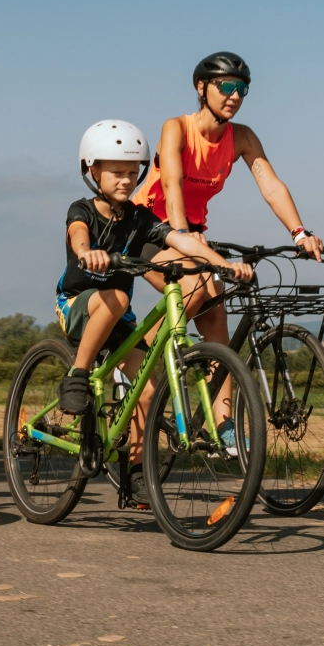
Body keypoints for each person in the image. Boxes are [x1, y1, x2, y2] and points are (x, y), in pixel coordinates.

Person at [57, 121, 250, 476]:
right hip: (79, 305)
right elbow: (77, 234)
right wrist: (87, 252)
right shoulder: (82, 209)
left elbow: (183, 241)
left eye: (133, 172)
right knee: (116, 296)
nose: (127, 180)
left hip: (119, 319)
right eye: (116, 172)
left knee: (144, 394)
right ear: (92, 170)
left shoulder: (140, 218)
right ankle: (77, 374)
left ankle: (137, 472)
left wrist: (225, 266)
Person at [133, 51, 324, 355]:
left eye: (242, 89)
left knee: (216, 319)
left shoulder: (242, 137)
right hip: (148, 227)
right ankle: (132, 359)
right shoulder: (177, 128)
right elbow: (172, 184)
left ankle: (220, 395)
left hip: (192, 233)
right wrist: (183, 235)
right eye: (225, 87)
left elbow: (271, 185)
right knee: (193, 289)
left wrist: (300, 233)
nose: (234, 96)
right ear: (201, 87)